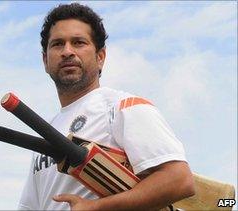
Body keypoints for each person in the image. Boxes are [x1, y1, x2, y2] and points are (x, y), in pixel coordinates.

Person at [18, 3, 195, 210]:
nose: (67, 51)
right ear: (45, 61)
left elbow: (180, 180)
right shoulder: (46, 132)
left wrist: (97, 207)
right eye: (58, 44)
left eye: (78, 42)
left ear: (100, 57)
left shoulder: (123, 108)